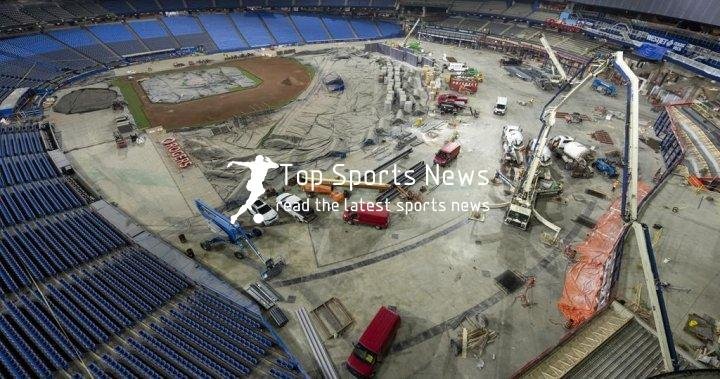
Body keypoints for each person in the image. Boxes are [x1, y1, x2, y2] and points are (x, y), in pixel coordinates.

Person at [227, 155, 279, 224]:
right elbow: (243, 163)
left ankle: (234, 210)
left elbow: (275, 166)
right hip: (250, 182)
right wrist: (233, 162)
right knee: (241, 189)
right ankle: (231, 201)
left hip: (257, 184)